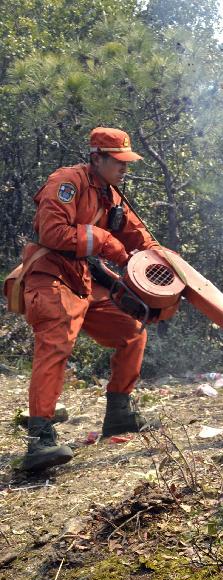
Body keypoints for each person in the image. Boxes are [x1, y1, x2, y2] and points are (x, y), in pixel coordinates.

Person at [19, 127, 160, 472]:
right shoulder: (68, 181)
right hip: (50, 274)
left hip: (82, 278)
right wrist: (103, 240)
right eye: (118, 162)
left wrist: (161, 259)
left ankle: (119, 413)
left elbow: (139, 236)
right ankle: (40, 439)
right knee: (56, 343)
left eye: (128, 162)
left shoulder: (111, 196)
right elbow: (52, 232)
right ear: (97, 158)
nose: (124, 169)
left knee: (132, 329)